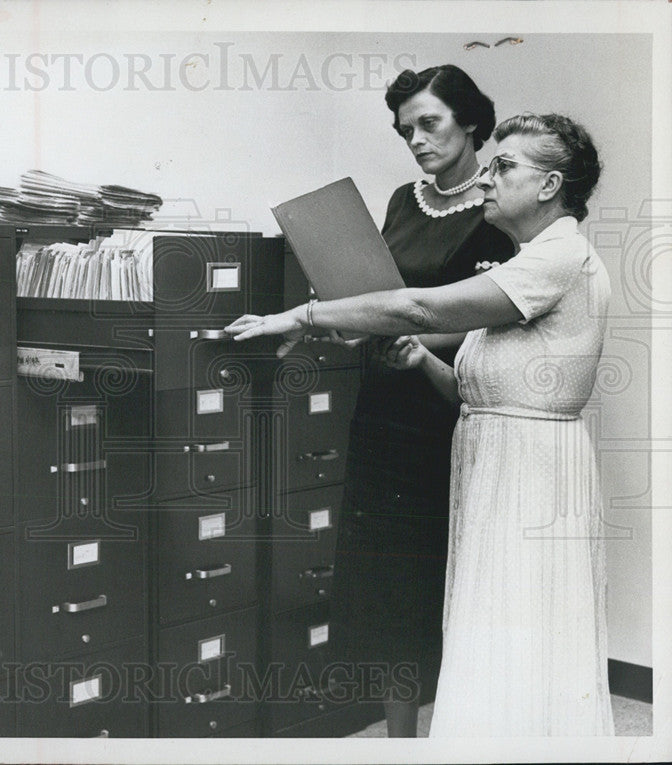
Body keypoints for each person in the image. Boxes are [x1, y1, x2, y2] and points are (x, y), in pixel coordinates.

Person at [226, 113, 615, 736]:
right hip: (500, 465)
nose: (487, 180)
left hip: (530, 474)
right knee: (490, 627)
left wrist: (301, 317)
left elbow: (418, 304)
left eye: (505, 167)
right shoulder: (532, 260)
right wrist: (418, 356)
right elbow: (476, 388)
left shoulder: (557, 257)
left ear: (549, 186)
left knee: (518, 628)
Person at [332, 64, 515, 737]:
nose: (415, 139)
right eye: (406, 128)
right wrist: (358, 322)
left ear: (470, 121)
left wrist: (418, 339)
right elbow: (382, 293)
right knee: (387, 586)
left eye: (429, 123)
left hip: (448, 407)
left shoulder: (500, 208)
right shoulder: (404, 203)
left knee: (441, 579)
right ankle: (401, 739)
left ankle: (463, 733)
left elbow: (503, 316)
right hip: (382, 407)